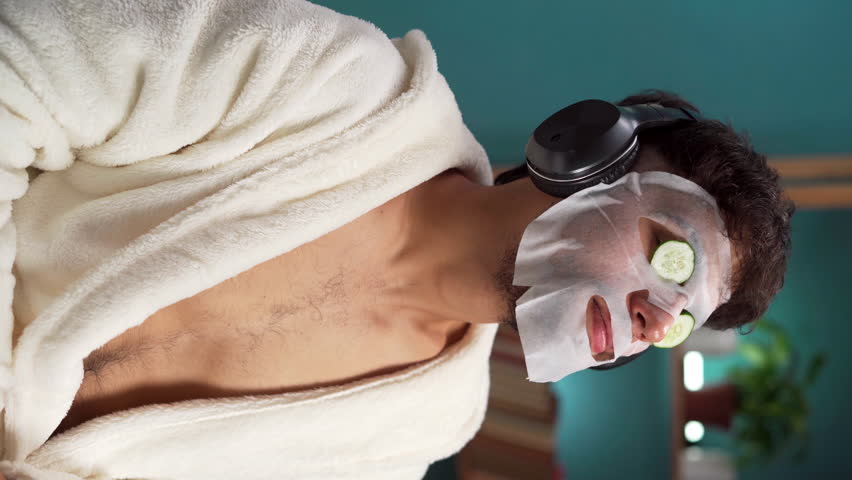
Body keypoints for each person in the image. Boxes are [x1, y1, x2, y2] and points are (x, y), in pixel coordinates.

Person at [0, 1, 793, 478]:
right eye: (670, 256)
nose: (658, 323)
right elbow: (20, 65)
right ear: (585, 154)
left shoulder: (421, 428)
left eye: (679, 322)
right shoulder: (337, 86)